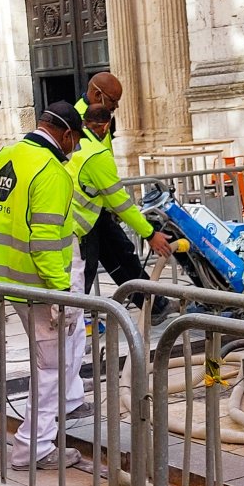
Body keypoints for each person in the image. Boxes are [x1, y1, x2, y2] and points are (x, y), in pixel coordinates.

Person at [0, 100, 83, 470]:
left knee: (55, 362)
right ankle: (33, 449)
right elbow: (42, 240)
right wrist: (63, 293)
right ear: (67, 134)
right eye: (76, 141)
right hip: (41, 289)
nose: (76, 149)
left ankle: (43, 435)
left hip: (9, 281)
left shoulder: (4, 158)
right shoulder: (52, 172)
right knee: (52, 369)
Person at [74, 73, 171, 316]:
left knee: (121, 255)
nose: (116, 107)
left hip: (97, 206)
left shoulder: (92, 121)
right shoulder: (81, 125)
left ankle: (154, 305)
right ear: (98, 95)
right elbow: (120, 199)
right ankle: (73, 322)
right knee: (88, 268)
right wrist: (149, 233)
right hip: (86, 213)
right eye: (113, 101)